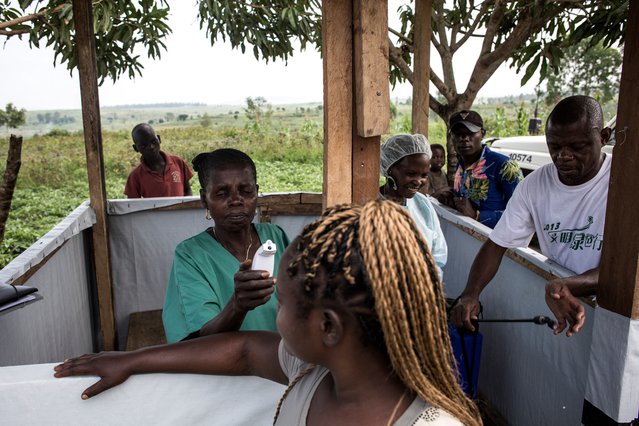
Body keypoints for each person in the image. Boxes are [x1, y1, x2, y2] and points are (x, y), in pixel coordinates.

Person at [54, 200, 481, 426]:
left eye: (284, 304)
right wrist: (131, 360)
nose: (275, 308)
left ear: (327, 328)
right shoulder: (312, 374)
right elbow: (241, 349)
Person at [450, 95, 612, 336]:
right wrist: (471, 294)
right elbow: (497, 244)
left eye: (577, 147)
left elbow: (624, 269)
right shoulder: (534, 185)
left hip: (616, 316)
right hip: (565, 306)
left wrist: (570, 285)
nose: (564, 156)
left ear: (603, 137)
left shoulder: (623, 182)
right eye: (555, 147)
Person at [162, 148, 290, 343]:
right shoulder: (191, 255)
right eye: (222, 194)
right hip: (231, 371)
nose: (236, 201)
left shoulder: (275, 236)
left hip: (287, 365)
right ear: (205, 199)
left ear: (256, 191)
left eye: (246, 192)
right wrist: (237, 306)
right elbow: (198, 342)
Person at [380, 134, 448, 280]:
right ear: (389, 169)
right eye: (411, 174)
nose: (418, 181)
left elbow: (437, 255)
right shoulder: (370, 206)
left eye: (424, 175)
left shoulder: (422, 205)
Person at [439, 110, 523, 228]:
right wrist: (451, 199)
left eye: (470, 133)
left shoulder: (505, 166)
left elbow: (522, 215)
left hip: (497, 242)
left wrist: (477, 215)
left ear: (482, 134)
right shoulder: (461, 163)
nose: (464, 138)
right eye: (458, 134)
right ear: (451, 136)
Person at [124, 123, 193, 198]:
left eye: (153, 141)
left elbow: (188, 190)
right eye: (144, 145)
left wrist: (184, 207)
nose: (151, 147)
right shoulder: (135, 176)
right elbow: (132, 205)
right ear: (136, 148)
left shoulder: (178, 162)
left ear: (159, 139)